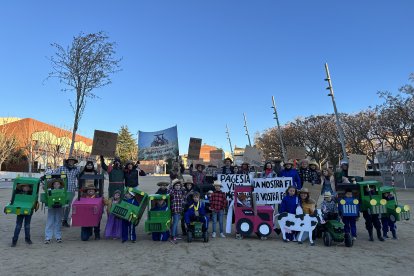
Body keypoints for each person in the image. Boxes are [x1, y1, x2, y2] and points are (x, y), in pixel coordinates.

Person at [52, 156, 80, 227]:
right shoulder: (62, 168)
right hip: (62, 190)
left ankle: (65, 220)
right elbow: (55, 176)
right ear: (68, 161)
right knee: (61, 205)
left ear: (74, 162)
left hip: (71, 190)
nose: (71, 162)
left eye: (72, 161)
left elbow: (80, 178)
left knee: (68, 205)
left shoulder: (76, 169)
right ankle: (58, 220)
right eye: (70, 160)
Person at [44, 180, 64, 244]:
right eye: (55, 184)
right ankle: (48, 237)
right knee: (50, 221)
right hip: (51, 207)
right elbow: (47, 196)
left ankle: (58, 236)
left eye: (58, 184)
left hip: (59, 207)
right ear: (53, 185)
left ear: (60, 185)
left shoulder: (63, 190)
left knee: (58, 221)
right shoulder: (49, 190)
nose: (56, 185)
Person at [168, 179, 185, 243]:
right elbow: (169, 191)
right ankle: (173, 236)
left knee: (176, 222)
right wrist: (171, 185)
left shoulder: (181, 191)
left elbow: (182, 201)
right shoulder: (172, 191)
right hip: (174, 210)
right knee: (175, 223)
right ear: (174, 186)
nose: (177, 186)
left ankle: (176, 235)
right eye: (176, 185)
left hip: (179, 210)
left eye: (179, 185)